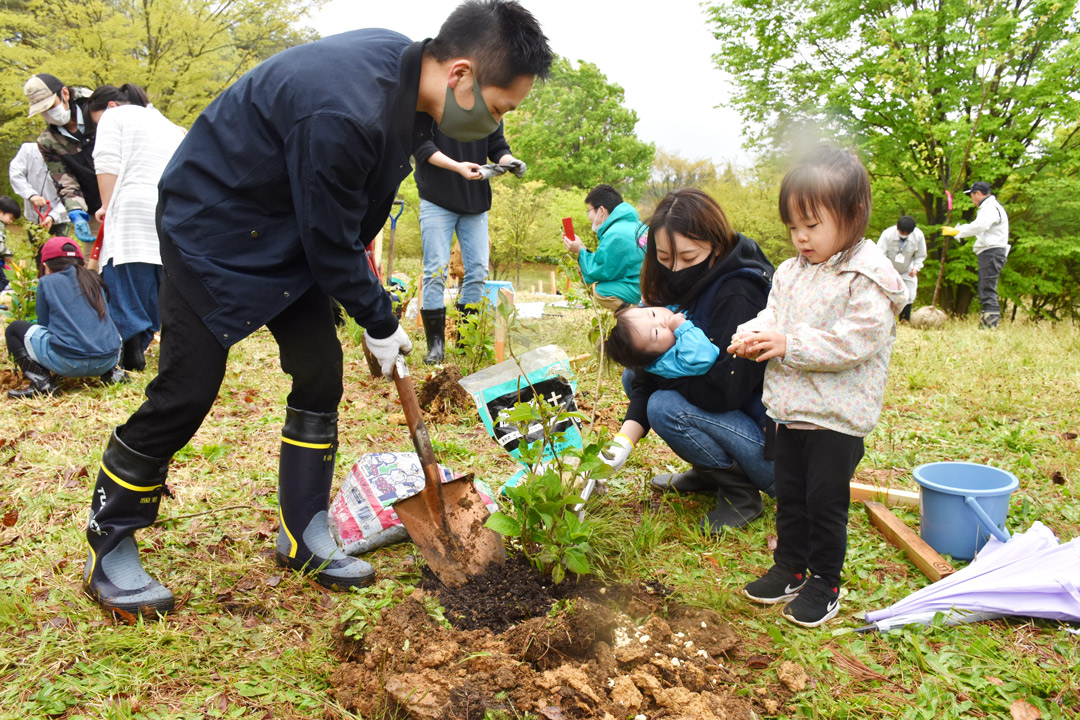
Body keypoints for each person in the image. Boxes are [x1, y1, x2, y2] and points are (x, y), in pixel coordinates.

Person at [80, 0, 552, 618]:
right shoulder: (344, 109)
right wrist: (379, 319)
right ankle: (108, 536)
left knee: (319, 369)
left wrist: (370, 308)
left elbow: (334, 226)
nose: (495, 125)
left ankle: (303, 529)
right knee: (188, 387)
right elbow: (332, 242)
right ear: (461, 74)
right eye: (497, 109)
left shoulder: (409, 75)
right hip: (214, 226)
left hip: (288, 226)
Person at [733, 146, 907, 628]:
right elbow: (774, 316)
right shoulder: (791, 272)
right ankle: (788, 567)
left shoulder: (866, 276)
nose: (801, 237)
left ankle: (825, 582)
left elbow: (856, 340)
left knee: (824, 505)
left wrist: (788, 343)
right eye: (793, 227)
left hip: (836, 418)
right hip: (790, 412)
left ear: (852, 217)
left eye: (812, 225)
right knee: (790, 497)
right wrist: (751, 333)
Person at [600, 188, 776, 533]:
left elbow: (724, 392)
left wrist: (659, 379)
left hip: (773, 451)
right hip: (737, 420)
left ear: (716, 246)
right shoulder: (684, 283)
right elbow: (644, 374)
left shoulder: (739, 290)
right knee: (634, 376)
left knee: (664, 404)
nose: (676, 270)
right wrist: (622, 443)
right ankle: (710, 471)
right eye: (665, 259)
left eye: (688, 257)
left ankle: (741, 494)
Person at [89, 83, 187, 372]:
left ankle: (130, 348)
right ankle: (144, 344)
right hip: (166, 211)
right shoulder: (169, 125)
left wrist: (106, 205)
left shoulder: (113, 117)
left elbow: (106, 161)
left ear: (109, 106)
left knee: (125, 280)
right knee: (153, 281)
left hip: (130, 208)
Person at [415, 123, 525, 363]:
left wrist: (509, 160)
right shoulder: (434, 98)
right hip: (436, 198)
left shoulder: (487, 106)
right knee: (435, 271)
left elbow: (496, 145)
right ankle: (436, 346)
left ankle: (466, 342)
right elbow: (421, 145)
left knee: (477, 271)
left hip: (474, 200)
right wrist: (457, 167)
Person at [5, 237, 124, 399]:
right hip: (106, 361)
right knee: (110, 323)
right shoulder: (94, 279)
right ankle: (114, 372)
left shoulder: (47, 282)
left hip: (67, 362)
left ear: (45, 266)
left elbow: (44, 325)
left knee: (14, 329)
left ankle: (42, 383)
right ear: (80, 262)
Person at [23, 73, 101, 255]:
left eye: (51, 106)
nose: (49, 114)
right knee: (95, 265)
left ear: (65, 94)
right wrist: (76, 212)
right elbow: (65, 180)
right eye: (43, 111)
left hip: (129, 196)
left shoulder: (98, 109)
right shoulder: (48, 141)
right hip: (93, 208)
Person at [562, 184, 646, 310]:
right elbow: (609, 263)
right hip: (650, 283)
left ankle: (635, 315)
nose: (589, 218)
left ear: (601, 210)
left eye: (589, 211)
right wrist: (583, 248)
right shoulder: (637, 226)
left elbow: (598, 271)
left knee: (603, 291)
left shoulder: (614, 234)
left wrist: (579, 250)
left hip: (641, 289)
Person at [941, 181, 1010, 329]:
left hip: (992, 251)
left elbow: (980, 226)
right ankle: (987, 326)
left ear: (978, 193)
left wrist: (958, 231)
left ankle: (989, 327)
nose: (971, 199)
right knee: (985, 288)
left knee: (987, 289)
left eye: (972, 195)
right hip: (990, 251)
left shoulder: (990, 208)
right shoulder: (989, 207)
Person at [603, 306, 719, 378]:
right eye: (656, 333)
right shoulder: (669, 361)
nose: (662, 321)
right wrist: (683, 328)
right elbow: (704, 357)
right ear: (652, 357)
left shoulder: (666, 336)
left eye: (652, 314)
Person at [9, 142, 70, 236]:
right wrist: (31, 195)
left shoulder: (70, 157)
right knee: (37, 248)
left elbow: (72, 194)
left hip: (60, 218)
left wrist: (53, 216)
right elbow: (16, 175)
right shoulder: (29, 150)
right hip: (33, 218)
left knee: (57, 249)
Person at [876, 214, 926, 321]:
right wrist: (887, 269)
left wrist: (916, 268)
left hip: (907, 270)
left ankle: (904, 320)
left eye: (906, 233)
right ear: (896, 226)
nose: (903, 235)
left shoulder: (918, 235)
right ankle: (885, 319)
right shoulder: (887, 234)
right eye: (901, 232)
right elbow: (879, 254)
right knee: (884, 293)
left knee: (910, 294)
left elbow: (921, 255)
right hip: (889, 270)